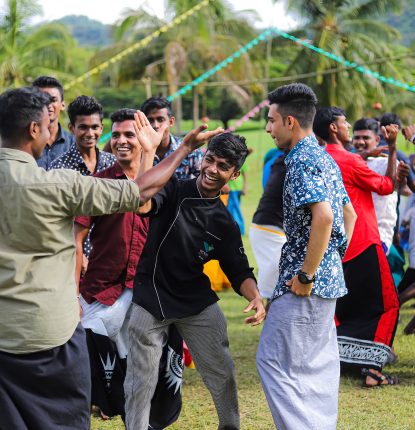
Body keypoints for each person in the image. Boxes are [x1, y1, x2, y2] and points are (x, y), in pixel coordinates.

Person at [0, 86, 222, 430]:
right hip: (51, 336)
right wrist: (185, 149)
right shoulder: (58, 184)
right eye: (49, 124)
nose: (51, 131)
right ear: (33, 129)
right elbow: (142, 192)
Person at [124, 132, 266, 430]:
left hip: (195, 301)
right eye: (210, 159)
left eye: (223, 166)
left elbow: (238, 270)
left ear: (234, 174)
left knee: (222, 371)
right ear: (202, 158)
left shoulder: (225, 223)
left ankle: (230, 426)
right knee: (140, 380)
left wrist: (255, 296)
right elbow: (142, 204)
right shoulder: (173, 189)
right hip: (151, 296)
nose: (212, 169)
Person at [256, 84, 356, 430]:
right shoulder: (324, 156)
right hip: (327, 282)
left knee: (271, 361)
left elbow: (326, 216)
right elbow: (350, 215)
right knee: (315, 366)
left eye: (270, 121)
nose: (268, 129)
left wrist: (307, 274)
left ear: (289, 121)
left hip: (306, 285)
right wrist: (331, 262)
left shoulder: (300, 160)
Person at [313, 106, 400, 387]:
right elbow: (387, 186)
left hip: (331, 245)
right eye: (345, 122)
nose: (348, 126)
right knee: (388, 306)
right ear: (334, 129)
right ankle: (373, 371)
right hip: (363, 240)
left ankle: (339, 362)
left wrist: (362, 156)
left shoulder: (318, 158)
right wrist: (393, 148)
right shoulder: (350, 161)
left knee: (343, 309)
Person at [50, 95, 115, 261]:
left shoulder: (113, 165)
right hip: (72, 259)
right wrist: (79, 256)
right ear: (72, 128)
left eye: (95, 127)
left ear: (102, 128)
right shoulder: (59, 169)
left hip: (109, 257)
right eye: (83, 127)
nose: (90, 133)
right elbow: (54, 221)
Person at [249, 150, 287, 300]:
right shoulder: (287, 160)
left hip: (266, 225)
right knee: (276, 288)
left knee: (276, 286)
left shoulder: (274, 157)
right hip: (270, 227)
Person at [141, 96, 204, 179]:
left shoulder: (189, 150)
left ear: (171, 122)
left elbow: (208, 182)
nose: (155, 125)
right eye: (150, 120)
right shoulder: (137, 152)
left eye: (160, 120)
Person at [32, 76, 75, 169]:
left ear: (62, 105)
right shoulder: (25, 142)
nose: (48, 105)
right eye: (42, 100)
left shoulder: (74, 144)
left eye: (53, 100)